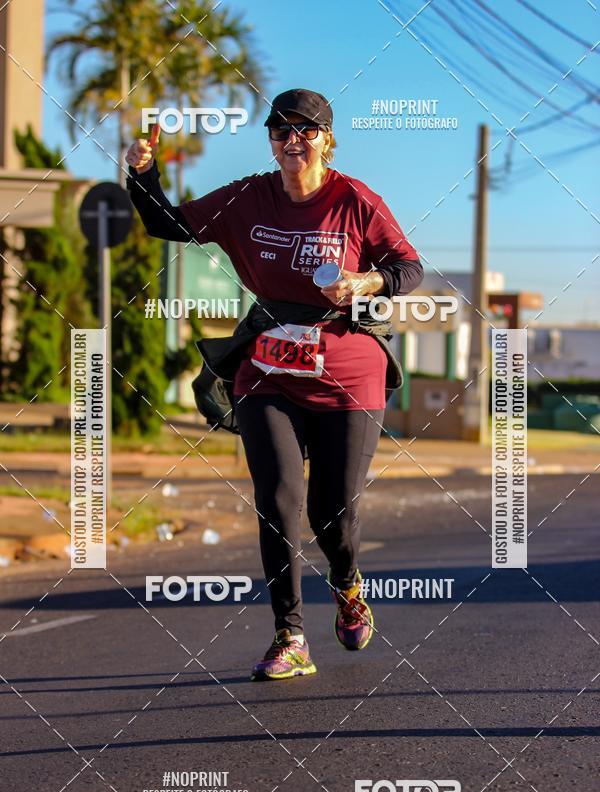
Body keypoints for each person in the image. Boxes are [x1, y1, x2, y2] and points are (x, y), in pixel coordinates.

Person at [126, 88, 424, 681]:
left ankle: (346, 583)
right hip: (266, 369)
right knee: (277, 501)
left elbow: (408, 268)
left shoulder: (356, 200)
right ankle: (290, 636)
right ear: (270, 139)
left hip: (347, 371)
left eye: (306, 130)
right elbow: (168, 223)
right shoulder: (247, 196)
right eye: (281, 129)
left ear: (327, 139)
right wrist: (141, 173)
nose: (293, 140)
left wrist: (365, 283)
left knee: (331, 513)